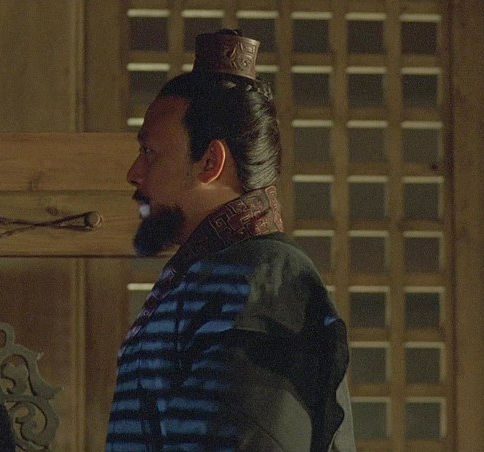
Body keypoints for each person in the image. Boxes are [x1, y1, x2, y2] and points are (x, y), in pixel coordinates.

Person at [107, 29, 356, 451]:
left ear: (210, 162)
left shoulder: (262, 279)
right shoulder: (216, 274)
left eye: (150, 153)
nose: (134, 173)